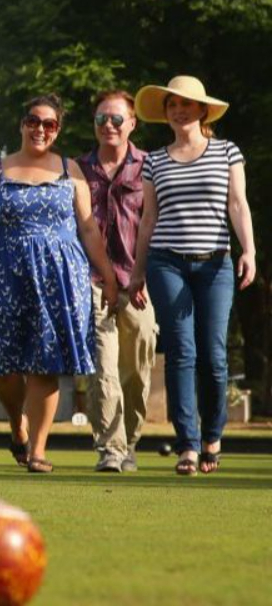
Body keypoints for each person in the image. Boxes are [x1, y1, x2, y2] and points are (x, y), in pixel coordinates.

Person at [0, 95, 119, 473]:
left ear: (57, 131)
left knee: (44, 365)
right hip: (8, 275)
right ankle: (16, 423)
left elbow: (88, 228)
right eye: (33, 121)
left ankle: (37, 450)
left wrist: (110, 277)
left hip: (60, 277)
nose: (40, 129)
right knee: (3, 368)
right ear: (22, 124)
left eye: (49, 124)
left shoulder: (70, 170)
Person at [127, 76, 256, 476]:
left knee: (214, 356)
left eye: (186, 104)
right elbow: (148, 219)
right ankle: (187, 444)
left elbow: (238, 204)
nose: (179, 110)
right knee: (181, 352)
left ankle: (212, 437)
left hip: (216, 264)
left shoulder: (227, 151)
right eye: (172, 105)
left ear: (202, 110)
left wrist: (249, 250)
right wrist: (138, 271)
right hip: (167, 263)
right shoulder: (155, 161)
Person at [76, 90, 157, 473]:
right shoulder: (76, 170)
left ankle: (131, 442)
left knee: (137, 372)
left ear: (132, 123)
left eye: (117, 118)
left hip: (138, 283)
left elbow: (157, 226)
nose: (108, 125)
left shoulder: (150, 167)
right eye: (101, 119)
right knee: (102, 370)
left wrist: (146, 276)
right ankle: (111, 449)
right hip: (91, 282)